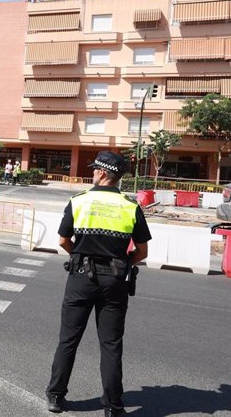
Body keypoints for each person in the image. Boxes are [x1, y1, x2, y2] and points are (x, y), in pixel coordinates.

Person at [46, 151, 152, 417]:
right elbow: (142, 251)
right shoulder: (130, 206)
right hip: (115, 280)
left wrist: (79, 256)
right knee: (111, 344)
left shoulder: (79, 201)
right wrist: (124, 261)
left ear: (102, 173)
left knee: (68, 339)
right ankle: (114, 407)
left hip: (81, 276)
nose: (92, 172)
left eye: (95, 169)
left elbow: (62, 241)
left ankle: (57, 396)